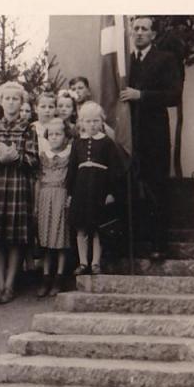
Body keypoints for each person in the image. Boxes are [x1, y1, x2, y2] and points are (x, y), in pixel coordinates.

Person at [122, 15, 182, 260]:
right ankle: (135, 244)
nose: (138, 33)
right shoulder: (125, 64)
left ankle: (159, 245)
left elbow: (174, 95)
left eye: (144, 29)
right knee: (130, 188)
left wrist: (141, 95)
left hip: (154, 135)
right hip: (129, 134)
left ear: (153, 35)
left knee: (156, 187)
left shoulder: (165, 59)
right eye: (135, 28)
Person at [0, 81, 39, 305]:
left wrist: (17, 158)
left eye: (15, 99)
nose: (11, 102)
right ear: (0, 101)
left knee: (14, 239)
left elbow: (34, 160)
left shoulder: (28, 128)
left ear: (21, 102)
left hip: (16, 187)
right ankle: (0, 284)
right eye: (7, 98)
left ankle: (10, 284)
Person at [67, 102, 125, 275]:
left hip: (99, 190)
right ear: (81, 123)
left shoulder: (107, 143)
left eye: (95, 121)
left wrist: (111, 192)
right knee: (81, 228)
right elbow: (71, 170)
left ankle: (95, 263)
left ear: (101, 122)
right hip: (81, 191)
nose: (92, 125)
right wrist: (70, 193)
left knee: (97, 227)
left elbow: (115, 170)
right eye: (88, 121)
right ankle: (83, 262)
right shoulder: (77, 143)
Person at [36, 119, 73, 296]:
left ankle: (59, 276)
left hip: (61, 196)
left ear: (66, 137)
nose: (54, 138)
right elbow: (37, 181)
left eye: (58, 134)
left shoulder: (69, 155)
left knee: (60, 239)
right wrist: (36, 203)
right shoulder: (43, 156)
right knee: (45, 240)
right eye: (51, 134)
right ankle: (45, 277)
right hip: (45, 198)